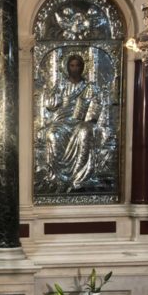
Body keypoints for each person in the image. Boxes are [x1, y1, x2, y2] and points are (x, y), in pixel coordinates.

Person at [40, 54, 105, 192]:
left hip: (81, 122)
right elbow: (50, 106)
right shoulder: (61, 85)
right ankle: (57, 178)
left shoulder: (89, 87)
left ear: (83, 67)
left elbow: (97, 104)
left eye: (78, 65)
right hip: (62, 121)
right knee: (52, 134)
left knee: (85, 132)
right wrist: (54, 95)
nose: (75, 68)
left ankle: (79, 179)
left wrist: (90, 117)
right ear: (67, 67)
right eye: (72, 65)